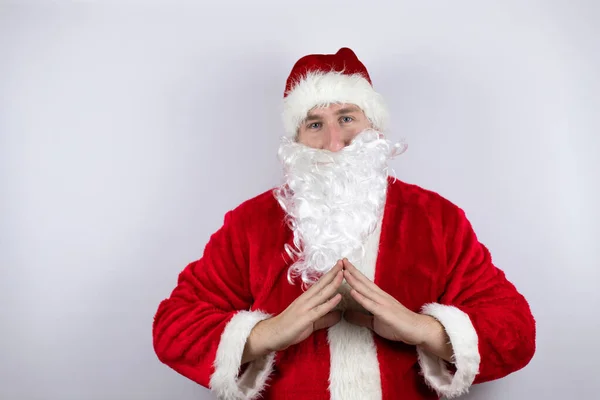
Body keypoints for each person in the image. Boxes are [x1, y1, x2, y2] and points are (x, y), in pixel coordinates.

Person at [152, 47, 536, 400]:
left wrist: (423, 329)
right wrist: (267, 334)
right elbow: (173, 326)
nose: (335, 142)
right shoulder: (251, 223)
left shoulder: (436, 219)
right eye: (315, 124)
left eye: (347, 118)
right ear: (296, 140)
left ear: (375, 127)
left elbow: (515, 330)